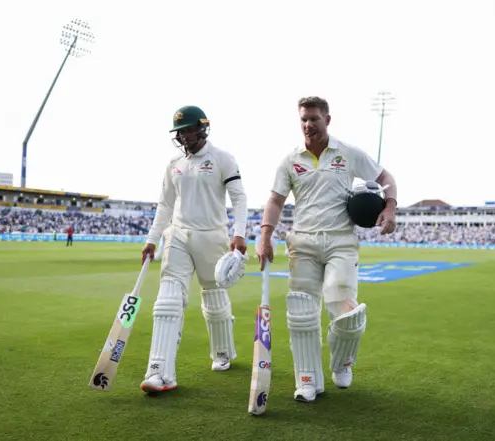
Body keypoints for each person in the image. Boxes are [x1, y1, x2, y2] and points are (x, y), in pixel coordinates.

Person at [257, 96, 398, 403]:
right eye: (303, 120)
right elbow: (275, 201)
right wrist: (265, 236)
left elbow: (385, 178)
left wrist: (390, 208)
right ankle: (307, 379)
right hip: (302, 243)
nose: (308, 125)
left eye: (314, 119)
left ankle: (342, 362)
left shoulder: (347, 153)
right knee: (302, 314)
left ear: (327, 120)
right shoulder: (290, 160)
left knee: (346, 311)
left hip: (341, 242)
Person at [140, 105, 248, 393]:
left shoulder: (222, 158)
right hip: (177, 235)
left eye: (189, 129)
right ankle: (159, 371)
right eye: (181, 131)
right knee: (168, 300)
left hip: (212, 235)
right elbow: (164, 204)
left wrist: (239, 234)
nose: (185, 135)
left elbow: (238, 198)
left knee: (214, 299)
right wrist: (152, 239)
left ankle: (222, 352)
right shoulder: (174, 164)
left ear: (202, 128)